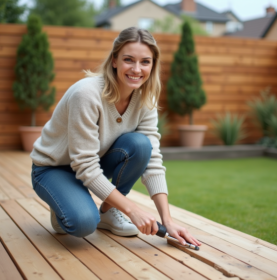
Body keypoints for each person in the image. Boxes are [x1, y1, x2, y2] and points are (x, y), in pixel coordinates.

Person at [30, 27, 201, 247]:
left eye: (145, 62)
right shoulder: (87, 94)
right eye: (128, 59)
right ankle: (64, 203)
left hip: (92, 163)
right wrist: (132, 210)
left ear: (153, 65)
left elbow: (152, 160)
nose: (137, 69)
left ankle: (107, 212)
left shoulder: (145, 97)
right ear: (114, 61)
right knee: (82, 224)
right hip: (54, 168)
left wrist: (168, 221)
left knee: (141, 146)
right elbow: (85, 165)